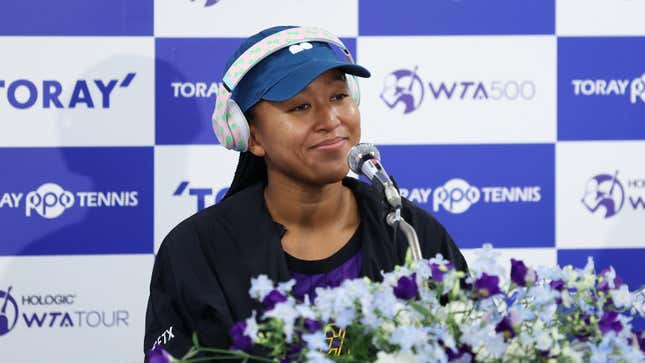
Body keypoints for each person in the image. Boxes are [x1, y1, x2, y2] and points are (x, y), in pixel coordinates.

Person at [144, 25, 468, 358]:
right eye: (300, 107)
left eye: (339, 97)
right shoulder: (196, 251)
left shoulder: (408, 231)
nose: (330, 119)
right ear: (251, 135)